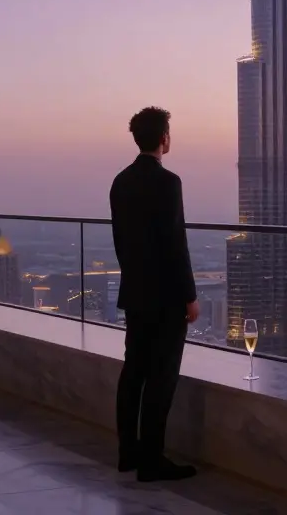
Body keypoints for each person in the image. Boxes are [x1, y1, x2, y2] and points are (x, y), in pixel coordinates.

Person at [110, 106, 199, 482]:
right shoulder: (169, 183)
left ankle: (128, 453)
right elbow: (176, 245)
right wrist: (189, 296)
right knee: (161, 378)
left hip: (135, 293)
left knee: (133, 372)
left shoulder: (120, 181)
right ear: (164, 138)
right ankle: (152, 460)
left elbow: (121, 242)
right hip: (165, 299)